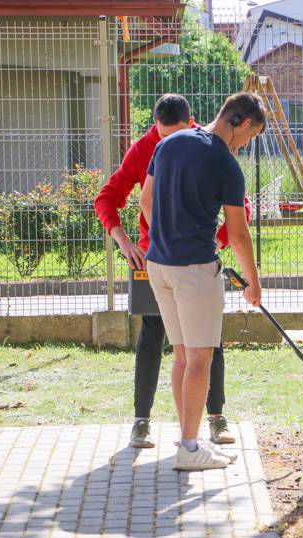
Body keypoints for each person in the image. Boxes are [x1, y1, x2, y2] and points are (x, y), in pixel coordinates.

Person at [94, 93, 249, 450]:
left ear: (191, 123)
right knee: (152, 334)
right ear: (156, 131)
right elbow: (108, 198)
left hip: (196, 258)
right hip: (157, 259)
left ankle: (214, 417)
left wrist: (217, 243)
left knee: (207, 342)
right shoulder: (145, 149)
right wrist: (125, 241)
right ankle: (142, 421)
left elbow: (240, 208)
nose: (170, 143)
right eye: (163, 138)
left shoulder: (210, 144)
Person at [141, 92, 265, 471]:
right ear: (240, 121)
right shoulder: (225, 163)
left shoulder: (170, 143)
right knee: (199, 358)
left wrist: (167, 233)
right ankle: (190, 449)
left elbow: (145, 200)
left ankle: (188, 441)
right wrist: (253, 282)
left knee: (181, 354)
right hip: (195, 269)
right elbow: (239, 233)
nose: (245, 145)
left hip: (158, 265)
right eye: (250, 136)